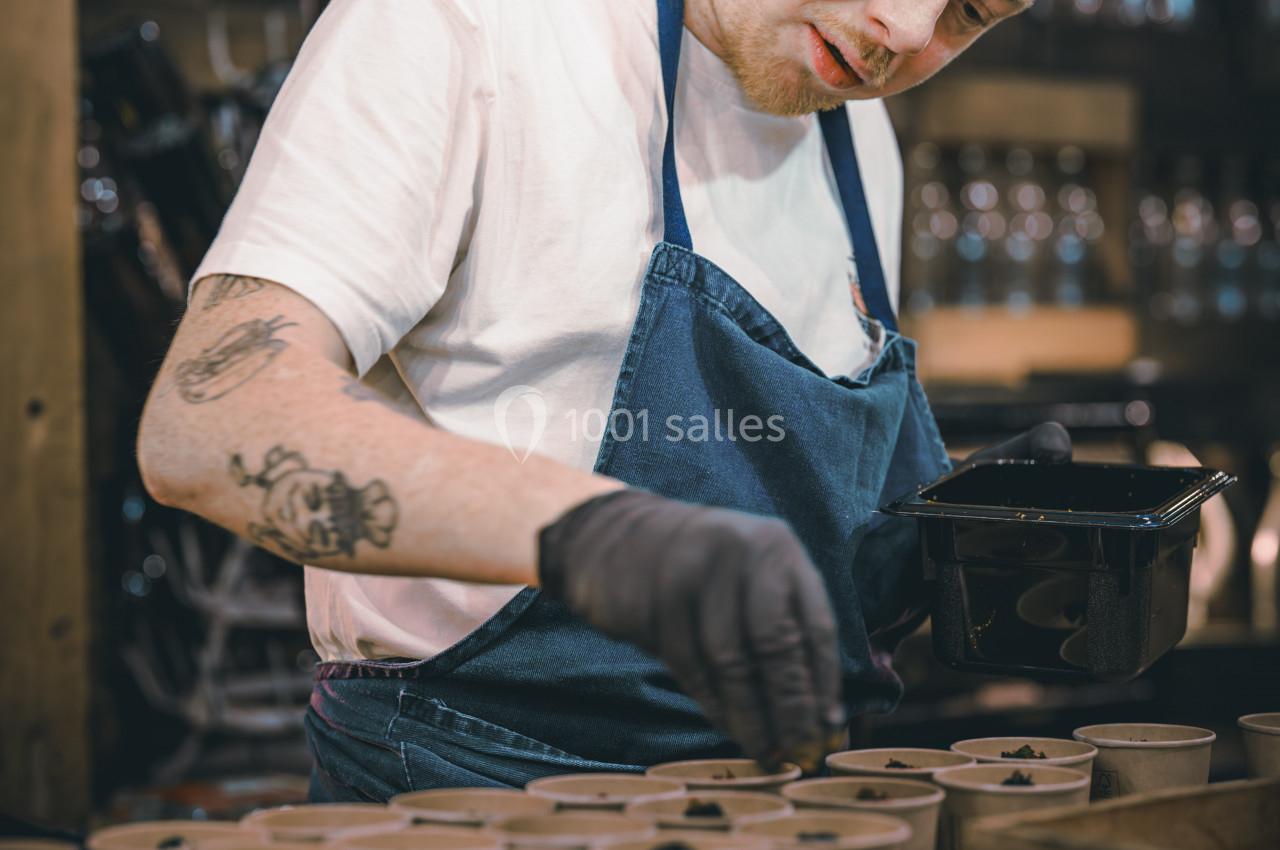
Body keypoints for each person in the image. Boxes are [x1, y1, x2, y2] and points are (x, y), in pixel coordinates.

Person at [138, 0, 1063, 800]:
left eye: (970, 14)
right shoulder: (472, 28)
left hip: (784, 806)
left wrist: (952, 547)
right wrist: (589, 535)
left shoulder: (855, 129)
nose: (903, 28)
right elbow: (210, 421)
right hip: (472, 797)